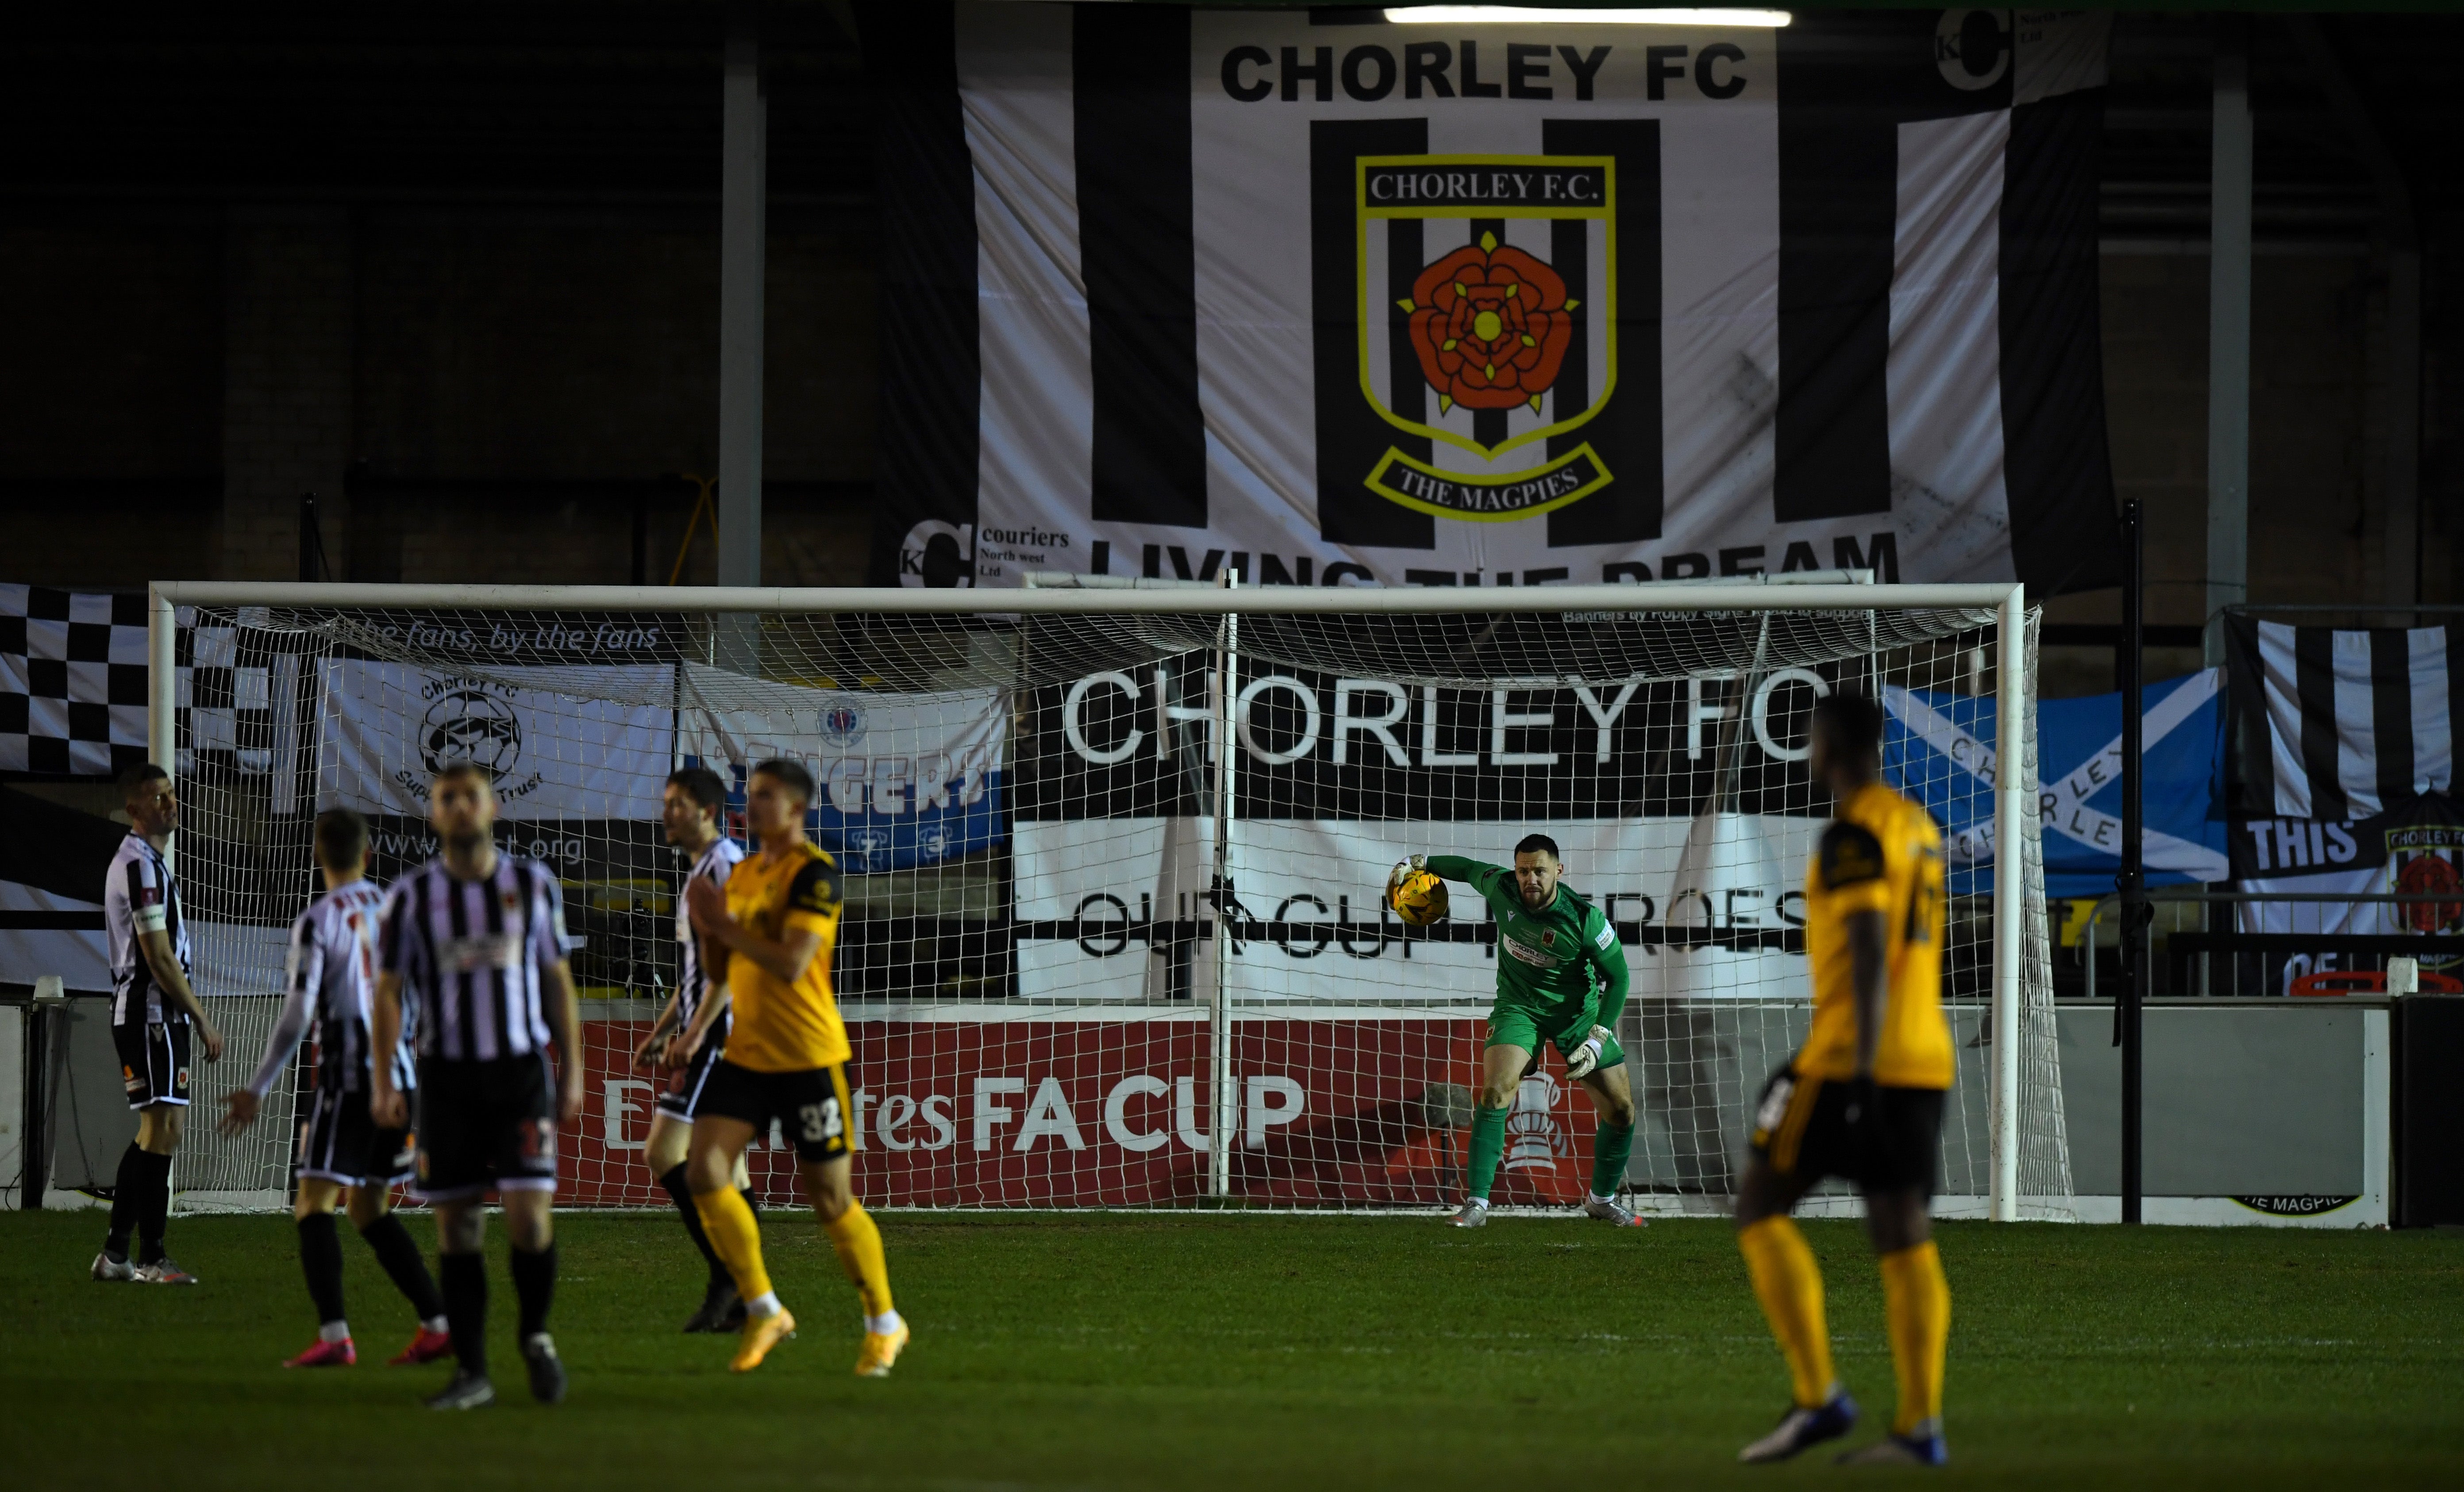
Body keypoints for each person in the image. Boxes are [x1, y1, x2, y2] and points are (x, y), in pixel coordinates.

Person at [1732, 691, 1952, 1467]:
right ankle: (1918, 1429)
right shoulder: (1917, 826)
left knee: (1759, 1204)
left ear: (1824, 746)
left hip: (1851, 1058)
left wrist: (1857, 1074)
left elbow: (1864, 945)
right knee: (1900, 1234)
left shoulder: (1851, 832)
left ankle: (1819, 1397)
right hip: (1925, 1057)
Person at [369, 762, 584, 1411]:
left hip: (519, 1073)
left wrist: (572, 1070)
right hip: (446, 1080)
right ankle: (473, 1372)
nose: (460, 807)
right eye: (447, 799)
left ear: (492, 808)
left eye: (471, 796)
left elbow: (555, 980)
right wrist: (386, 1079)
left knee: (528, 1218)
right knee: (458, 1227)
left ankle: (537, 1338)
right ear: (434, 814)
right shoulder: (409, 898)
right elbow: (388, 993)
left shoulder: (532, 884)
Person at [681, 758, 906, 1376]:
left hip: (809, 1057)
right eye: (750, 797)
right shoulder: (745, 873)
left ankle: (884, 1323)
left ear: (799, 809)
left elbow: (790, 962)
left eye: (766, 797)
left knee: (830, 1200)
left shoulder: (817, 875)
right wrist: (708, 936)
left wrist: (722, 921)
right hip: (747, 1055)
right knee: (703, 1170)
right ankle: (763, 1308)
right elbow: (725, 971)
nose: (752, 808)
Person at [219, 808, 451, 1369]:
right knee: (368, 1207)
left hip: (349, 1074)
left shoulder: (318, 921)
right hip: (400, 1074)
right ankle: (439, 1324)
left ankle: (335, 1336)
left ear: (319, 855)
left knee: (313, 1205)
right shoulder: (397, 908)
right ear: (369, 855)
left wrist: (258, 1087)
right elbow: (423, 994)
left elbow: (299, 1014)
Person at [1392, 835, 1640, 1229]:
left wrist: (1596, 1038)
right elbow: (1466, 869)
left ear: (1558, 871)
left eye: (1540, 870)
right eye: (1524, 870)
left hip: (1578, 1015)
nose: (1531, 879)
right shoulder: (1501, 886)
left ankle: (1602, 1200)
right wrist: (1418, 861)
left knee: (1622, 1110)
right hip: (1519, 1008)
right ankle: (1476, 1205)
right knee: (1495, 1091)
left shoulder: (1585, 919)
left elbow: (1621, 979)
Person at [632, 765, 754, 1332]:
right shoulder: (701, 873)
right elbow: (699, 972)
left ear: (707, 810)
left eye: (677, 804)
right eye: (666, 803)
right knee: (733, 1174)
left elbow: (733, 963)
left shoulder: (726, 867)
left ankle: (728, 1279)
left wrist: (697, 1031)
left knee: (664, 1153)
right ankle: (749, 1300)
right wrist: (665, 1028)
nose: (667, 813)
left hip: (724, 1035)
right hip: (712, 1029)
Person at [92, 762, 224, 1284]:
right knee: (161, 1129)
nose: (170, 803)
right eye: (157, 798)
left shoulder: (147, 861)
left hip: (152, 1013)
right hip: (152, 1013)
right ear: (134, 811)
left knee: (160, 1130)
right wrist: (203, 1018)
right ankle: (148, 1258)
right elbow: (159, 957)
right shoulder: (139, 867)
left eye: (171, 794)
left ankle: (119, 1255)